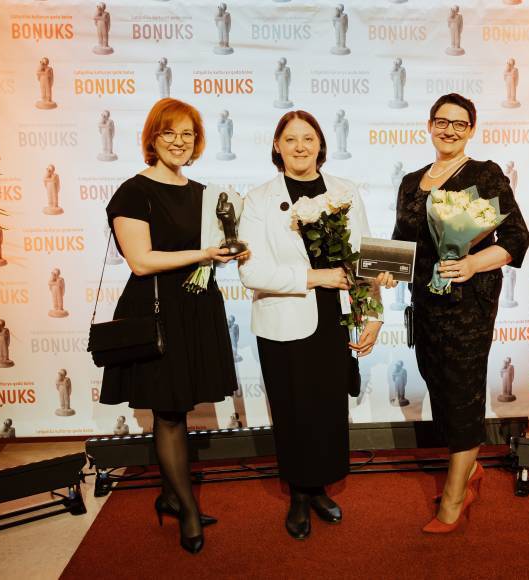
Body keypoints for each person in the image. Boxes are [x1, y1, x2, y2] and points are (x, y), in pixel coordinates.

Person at [101, 98, 244, 555]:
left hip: (197, 309)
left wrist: (231, 251)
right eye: (169, 133)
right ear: (152, 137)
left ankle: (169, 495)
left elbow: (215, 246)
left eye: (188, 134)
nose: (179, 142)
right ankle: (186, 510)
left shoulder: (205, 194)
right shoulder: (133, 192)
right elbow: (141, 262)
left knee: (180, 405)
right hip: (156, 310)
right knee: (168, 412)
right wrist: (204, 254)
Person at [237, 110, 387, 541]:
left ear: (321, 144)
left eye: (308, 138)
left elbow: (364, 258)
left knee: (326, 409)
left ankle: (319, 487)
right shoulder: (259, 199)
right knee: (291, 411)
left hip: (333, 318)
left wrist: (374, 314)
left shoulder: (345, 191)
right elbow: (251, 273)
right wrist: (315, 277)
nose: (300, 146)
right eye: (290, 139)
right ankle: (298, 495)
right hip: (283, 319)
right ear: (277, 146)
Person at [391, 93, 529, 533]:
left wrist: (472, 263)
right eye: (441, 121)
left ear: (471, 129)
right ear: (429, 125)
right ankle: (469, 468)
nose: (449, 130)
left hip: (468, 306)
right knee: (438, 384)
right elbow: (402, 243)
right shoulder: (411, 182)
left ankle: (454, 497)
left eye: (459, 123)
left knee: (463, 390)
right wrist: (381, 272)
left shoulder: (485, 174)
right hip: (425, 304)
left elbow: (516, 238)